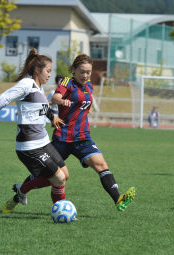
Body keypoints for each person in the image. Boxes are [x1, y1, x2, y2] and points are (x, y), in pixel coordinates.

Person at [17, 54, 136, 211]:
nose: (85, 75)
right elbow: (55, 98)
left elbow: (86, 103)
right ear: (74, 70)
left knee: (101, 165)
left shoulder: (89, 86)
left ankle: (118, 200)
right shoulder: (67, 81)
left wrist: (86, 109)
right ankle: (21, 190)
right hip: (63, 138)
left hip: (82, 138)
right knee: (46, 174)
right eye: (82, 72)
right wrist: (62, 101)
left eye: (88, 72)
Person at [0, 48, 68, 213]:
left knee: (65, 174)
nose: (50, 75)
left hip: (43, 141)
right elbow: (6, 96)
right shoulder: (26, 84)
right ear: (37, 70)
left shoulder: (39, 88)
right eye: (48, 71)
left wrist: (52, 117)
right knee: (58, 178)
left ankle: (21, 189)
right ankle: (56, 210)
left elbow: (42, 108)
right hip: (29, 146)